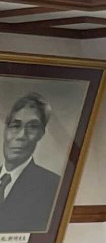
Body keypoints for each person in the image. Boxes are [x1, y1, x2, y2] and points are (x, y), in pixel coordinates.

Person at [0, 93, 62, 234]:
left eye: (32, 127)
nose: (21, 135)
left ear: (41, 134)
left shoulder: (52, 187)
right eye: (15, 126)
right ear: (5, 130)